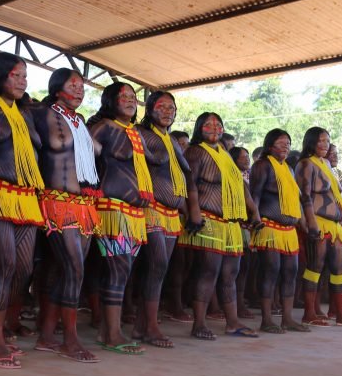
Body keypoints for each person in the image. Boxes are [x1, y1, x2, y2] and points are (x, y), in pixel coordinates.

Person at [0, 52, 45, 368]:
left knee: (23, 268)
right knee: (3, 264)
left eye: (25, 76)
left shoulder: (25, 113)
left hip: (27, 196)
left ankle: (2, 326)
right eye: (16, 75)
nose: (22, 81)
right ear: (0, 76)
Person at [32, 68, 100, 362]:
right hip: (55, 200)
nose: (80, 89)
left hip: (83, 203)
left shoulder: (80, 122)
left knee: (64, 269)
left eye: (82, 85)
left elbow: (97, 151)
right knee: (74, 269)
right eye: (73, 84)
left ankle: (47, 337)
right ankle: (69, 341)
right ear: (57, 87)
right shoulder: (42, 113)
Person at [178, 112, 262, 340]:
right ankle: (199, 324)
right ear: (199, 129)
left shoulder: (224, 154)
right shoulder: (195, 151)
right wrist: (193, 213)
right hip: (208, 219)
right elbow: (189, 183)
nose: (214, 128)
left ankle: (232, 323)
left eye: (218, 125)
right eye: (208, 125)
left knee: (229, 274)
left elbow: (241, 185)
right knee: (208, 271)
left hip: (231, 223)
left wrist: (253, 210)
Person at [86, 82, 153, 355]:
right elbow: (84, 157)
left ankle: (108, 330)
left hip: (135, 213)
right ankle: (111, 333)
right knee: (117, 270)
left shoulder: (134, 132)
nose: (129, 100)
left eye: (133, 97)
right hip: (112, 209)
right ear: (110, 101)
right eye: (123, 96)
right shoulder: (103, 127)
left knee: (123, 272)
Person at [133, 90, 198, 348]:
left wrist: (190, 208)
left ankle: (142, 324)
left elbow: (186, 173)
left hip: (172, 214)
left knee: (159, 270)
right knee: (156, 265)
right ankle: (150, 326)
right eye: (162, 106)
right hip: (151, 209)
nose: (168, 111)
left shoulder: (171, 140)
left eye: (172, 107)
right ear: (149, 109)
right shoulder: (140, 132)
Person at [295, 127, 342, 327]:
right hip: (318, 221)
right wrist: (311, 222)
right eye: (321, 141)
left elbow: (339, 197)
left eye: (327, 141)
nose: (325, 145)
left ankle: (341, 314)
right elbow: (304, 196)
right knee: (315, 267)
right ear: (311, 142)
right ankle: (309, 313)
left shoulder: (326, 164)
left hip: (336, 225)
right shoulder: (306, 164)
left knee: (339, 268)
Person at [248, 129, 309, 333]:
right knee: (270, 271)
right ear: (270, 145)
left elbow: (298, 199)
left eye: (288, 143)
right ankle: (266, 320)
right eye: (281, 143)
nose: (286, 146)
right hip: (269, 227)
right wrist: (254, 218)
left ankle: (288, 318)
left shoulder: (289, 169)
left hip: (289, 230)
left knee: (290, 273)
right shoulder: (262, 165)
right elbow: (254, 194)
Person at [229, 146, 255, 320]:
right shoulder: (231, 178)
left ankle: (239, 304)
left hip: (245, 229)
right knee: (231, 270)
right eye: (242, 157)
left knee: (243, 268)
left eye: (248, 156)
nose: (247, 160)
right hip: (232, 227)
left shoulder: (245, 179)